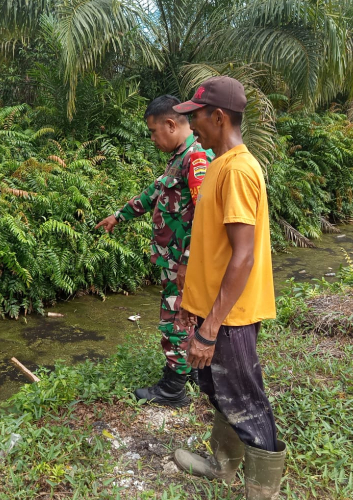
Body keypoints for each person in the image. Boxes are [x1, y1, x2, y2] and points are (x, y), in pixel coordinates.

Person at [170, 76, 286, 499]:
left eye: (196, 116)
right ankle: (224, 466)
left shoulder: (238, 170)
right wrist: (191, 299)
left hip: (231, 316)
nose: (192, 125)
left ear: (219, 117)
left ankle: (262, 490)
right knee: (217, 391)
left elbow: (243, 256)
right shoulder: (217, 164)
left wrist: (210, 328)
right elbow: (212, 247)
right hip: (214, 309)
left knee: (246, 402)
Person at [96, 95, 212, 407]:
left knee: (174, 319)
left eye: (152, 131)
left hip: (184, 262)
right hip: (176, 260)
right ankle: (195, 373)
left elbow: (205, 215)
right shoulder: (179, 157)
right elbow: (153, 194)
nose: (152, 138)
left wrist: (189, 261)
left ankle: (173, 389)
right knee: (187, 318)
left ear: (171, 124)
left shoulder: (196, 158)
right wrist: (119, 216)